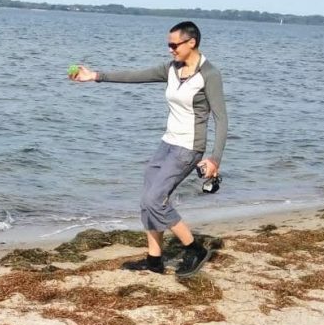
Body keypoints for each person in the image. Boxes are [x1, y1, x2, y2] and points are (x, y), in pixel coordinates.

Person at [69, 21, 228, 278]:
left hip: (189, 148)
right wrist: (95, 76)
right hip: (167, 143)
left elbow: (222, 119)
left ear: (191, 43)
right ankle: (154, 260)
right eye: (168, 45)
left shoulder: (209, 75)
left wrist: (215, 158)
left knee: (155, 200)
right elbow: (135, 76)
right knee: (147, 200)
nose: (170, 50)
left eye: (174, 45)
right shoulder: (171, 69)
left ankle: (195, 249)